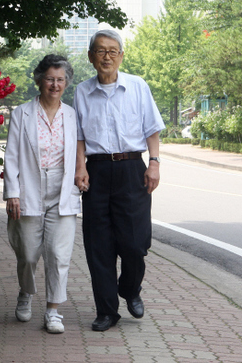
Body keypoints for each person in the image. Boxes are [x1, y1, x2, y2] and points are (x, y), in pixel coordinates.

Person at [73, 30, 165, 332]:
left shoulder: (137, 86)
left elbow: (152, 127)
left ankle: (131, 289)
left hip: (131, 170)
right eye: (100, 51)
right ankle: (107, 311)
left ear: (121, 56)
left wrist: (154, 163)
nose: (107, 56)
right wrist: (80, 168)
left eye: (113, 51)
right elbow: (80, 137)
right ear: (91, 57)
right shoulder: (82, 91)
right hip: (97, 172)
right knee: (98, 245)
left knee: (136, 242)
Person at [3, 54, 81, 334]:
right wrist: (12, 192)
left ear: (66, 83)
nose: (55, 84)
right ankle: (26, 292)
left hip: (62, 187)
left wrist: (81, 175)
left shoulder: (72, 115)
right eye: (50, 79)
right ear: (39, 80)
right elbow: (11, 155)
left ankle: (53, 310)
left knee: (59, 254)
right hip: (28, 188)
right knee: (27, 252)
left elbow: (80, 151)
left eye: (60, 80)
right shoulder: (22, 113)